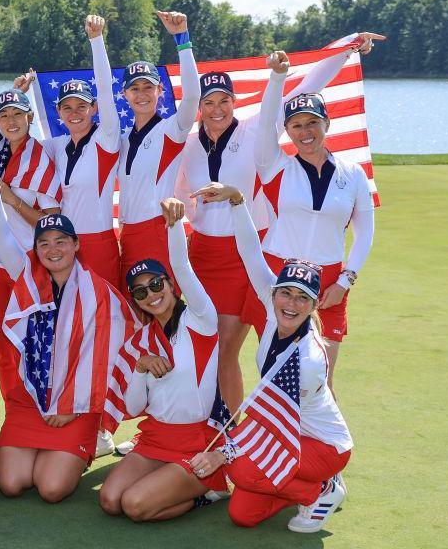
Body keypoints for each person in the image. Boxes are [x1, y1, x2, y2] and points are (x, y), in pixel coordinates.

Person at [174, 31, 383, 413]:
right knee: (216, 349)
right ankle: (225, 430)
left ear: (235, 103)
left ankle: (270, 434)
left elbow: (309, 85)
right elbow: (173, 192)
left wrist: (347, 46)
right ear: (198, 107)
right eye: (209, 103)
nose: (217, 109)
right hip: (205, 254)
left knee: (273, 348)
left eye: (225, 101)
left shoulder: (258, 128)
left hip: (252, 252)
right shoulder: (186, 145)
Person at [188, 182, 353, 533]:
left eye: (302, 299)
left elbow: (268, 421)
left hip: (322, 446)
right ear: (274, 293)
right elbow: (251, 253)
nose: (290, 304)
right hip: (286, 436)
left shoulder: (306, 361)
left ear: (312, 306)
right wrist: (236, 200)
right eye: (286, 294)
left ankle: (321, 488)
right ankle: (297, 488)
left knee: (240, 469)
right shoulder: (270, 305)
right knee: (243, 514)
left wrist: (225, 452)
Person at [0, 183, 135, 503]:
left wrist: (72, 409)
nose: (53, 249)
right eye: (44, 243)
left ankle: (72, 445)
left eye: (61, 241)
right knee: (10, 483)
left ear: (76, 245)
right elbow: (2, 236)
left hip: (75, 407)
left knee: (51, 488)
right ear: (36, 249)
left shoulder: (100, 293)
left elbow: (111, 354)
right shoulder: (27, 279)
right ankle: (37, 449)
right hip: (31, 402)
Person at [242, 49, 379, 389]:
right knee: (276, 376)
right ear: (286, 130)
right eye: (296, 125)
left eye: (312, 123)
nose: (305, 132)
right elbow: (265, 122)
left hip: (331, 282)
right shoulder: (275, 166)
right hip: (278, 275)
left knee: (321, 380)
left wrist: (345, 281)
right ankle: (272, 442)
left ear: (326, 124)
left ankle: (327, 444)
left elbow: (364, 234)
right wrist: (277, 77)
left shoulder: (354, 174)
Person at [99, 199, 226, 522]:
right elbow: (131, 405)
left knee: (135, 505)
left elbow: (183, 265)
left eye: (156, 284)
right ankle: (172, 483)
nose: (151, 294)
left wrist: (172, 226)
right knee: (111, 501)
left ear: (171, 284)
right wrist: (140, 369)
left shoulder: (200, 319)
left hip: (197, 439)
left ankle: (208, 491)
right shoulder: (138, 342)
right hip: (156, 438)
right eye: (140, 292)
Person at [0, 52, 63, 399]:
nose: (10, 121)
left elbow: (51, 223)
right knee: (1, 343)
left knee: (33, 340)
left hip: (28, 263)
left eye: (17, 115)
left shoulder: (41, 158)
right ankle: (13, 414)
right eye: (4, 115)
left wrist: (11, 199)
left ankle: (37, 406)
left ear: (30, 117)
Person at [117, 11, 199, 287]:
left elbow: (192, 96)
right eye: (134, 88)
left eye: (148, 88)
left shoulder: (171, 130)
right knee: (133, 313)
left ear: (160, 91)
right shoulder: (122, 138)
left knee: (163, 310)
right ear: (125, 94)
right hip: (126, 234)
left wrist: (182, 40)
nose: (141, 94)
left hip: (157, 230)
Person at [42, 14, 122, 290]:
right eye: (67, 107)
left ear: (94, 108)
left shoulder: (106, 139)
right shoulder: (56, 145)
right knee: (67, 319)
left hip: (99, 242)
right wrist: (20, 97)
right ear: (59, 113)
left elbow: (106, 90)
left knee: (105, 317)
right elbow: (15, 141)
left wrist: (96, 40)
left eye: (82, 106)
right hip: (63, 244)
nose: (74, 113)